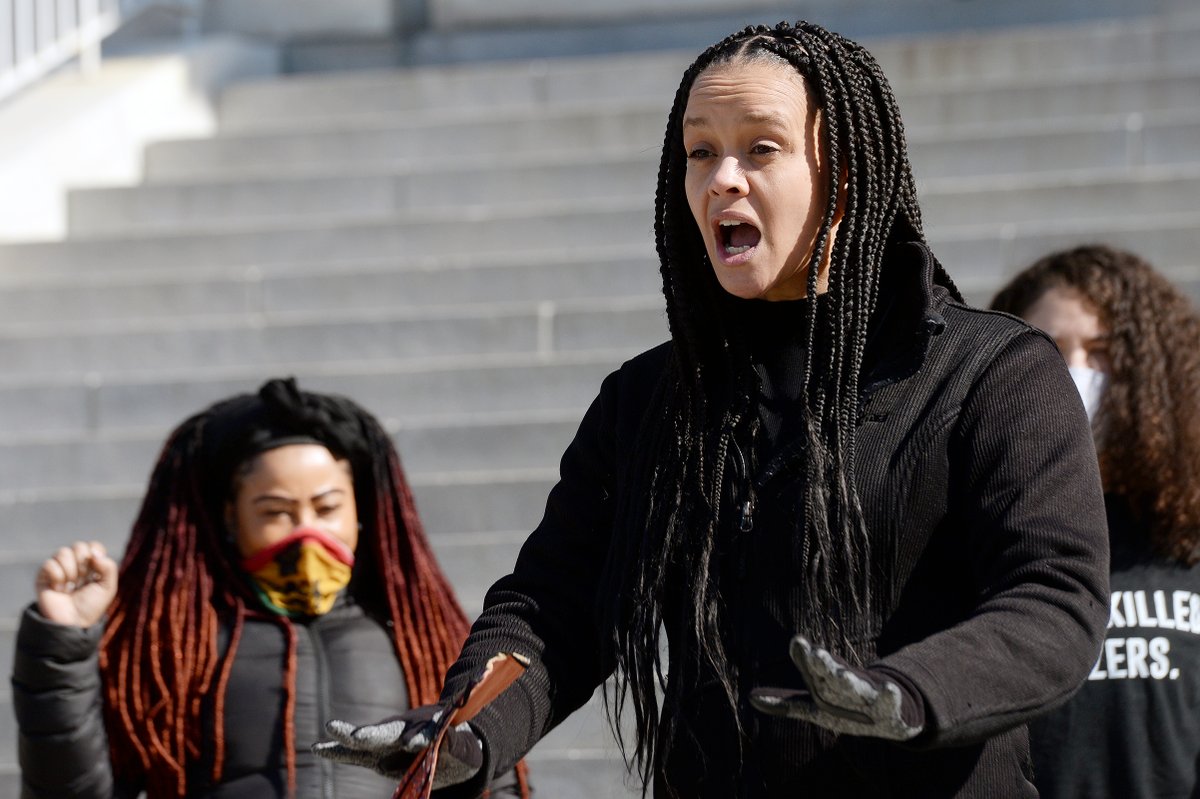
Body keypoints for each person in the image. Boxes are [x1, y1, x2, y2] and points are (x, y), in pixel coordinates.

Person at [315, 21, 1110, 798]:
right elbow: (552, 607)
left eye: (761, 148)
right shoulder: (645, 403)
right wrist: (468, 728)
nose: (721, 177)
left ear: (848, 175)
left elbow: (1053, 602)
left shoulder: (994, 373)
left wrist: (904, 692)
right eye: (700, 152)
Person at [10, 377, 530, 798]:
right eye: (276, 513)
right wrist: (61, 644)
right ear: (230, 521)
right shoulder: (172, 649)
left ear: (363, 514)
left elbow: (493, 779)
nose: (308, 534)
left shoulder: (424, 635)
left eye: (327, 509)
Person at [991, 244, 1200, 799]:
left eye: (1102, 351)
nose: (1077, 372)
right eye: (1050, 349)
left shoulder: (1187, 536)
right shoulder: (976, 537)